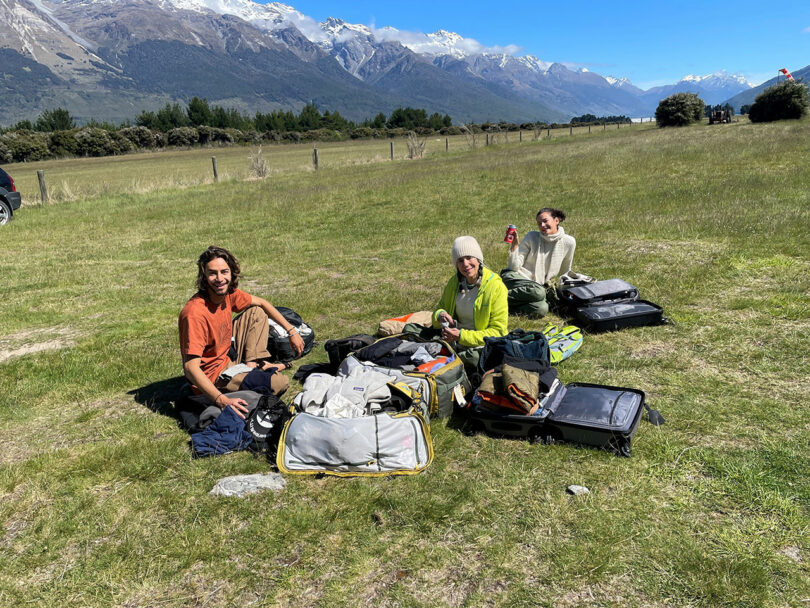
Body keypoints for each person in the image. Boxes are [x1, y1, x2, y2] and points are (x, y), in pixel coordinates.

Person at [178, 246, 304, 420]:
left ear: (232, 273)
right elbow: (190, 368)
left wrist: (292, 331)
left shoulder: (228, 294)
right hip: (214, 377)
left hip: (227, 357)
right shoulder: (194, 313)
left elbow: (262, 303)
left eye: (224, 272)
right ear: (204, 277)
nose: (219, 279)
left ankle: (251, 366)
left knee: (256, 311)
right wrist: (221, 400)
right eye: (212, 273)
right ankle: (249, 375)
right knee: (280, 383)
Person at [433, 236, 508, 372]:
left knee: (473, 358)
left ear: (478, 259)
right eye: (460, 260)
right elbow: (439, 310)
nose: (465, 264)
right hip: (453, 339)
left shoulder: (496, 287)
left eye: (469, 257)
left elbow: (498, 332)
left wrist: (461, 336)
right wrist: (441, 315)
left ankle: (449, 363)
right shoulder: (454, 282)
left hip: (479, 345)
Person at [500, 207, 577, 316]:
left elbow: (565, 272)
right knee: (539, 292)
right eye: (539, 223)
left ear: (556, 220)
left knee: (541, 309)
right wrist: (515, 245)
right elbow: (513, 267)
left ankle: (502, 307)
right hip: (514, 277)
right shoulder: (532, 236)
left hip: (535, 287)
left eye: (545, 221)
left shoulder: (569, 242)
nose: (542, 226)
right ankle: (494, 297)